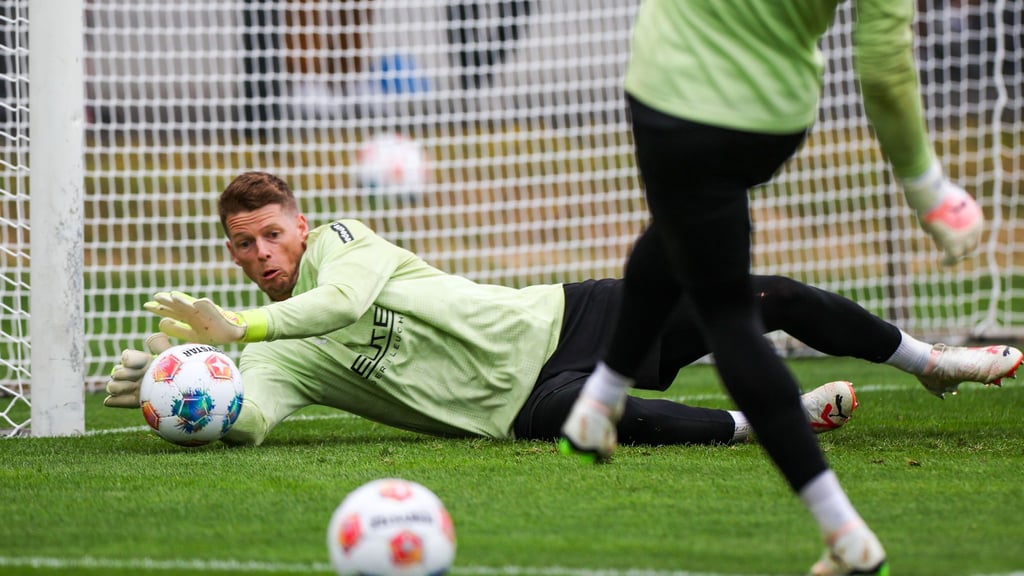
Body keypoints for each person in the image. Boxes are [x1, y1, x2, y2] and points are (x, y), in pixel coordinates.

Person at [103, 172, 1021, 454]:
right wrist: (182, 391)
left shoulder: (344, 241)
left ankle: (931, 362)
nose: (261, 254)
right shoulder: (270, 357)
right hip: (513, 407)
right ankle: (766, 422)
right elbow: (252, 419)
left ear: (298, 226)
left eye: (271, 234)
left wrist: (239, 330)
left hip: (561, 318)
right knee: (599, 419)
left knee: (764, 296)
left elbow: (336, 305)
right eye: (244, 246)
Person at [557, 2, 991, 575]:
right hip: (770, 122)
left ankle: (847, 536)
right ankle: (598, 405)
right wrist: (928, 188)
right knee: (678, 227)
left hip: (674, 97)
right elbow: (884, 69)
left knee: (726, 315)